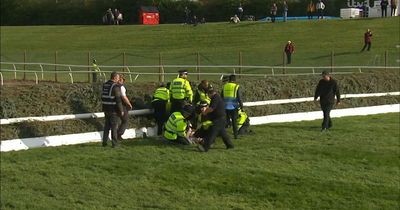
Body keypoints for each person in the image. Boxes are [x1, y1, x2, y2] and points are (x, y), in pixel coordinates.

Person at [101, 72, 124, 148]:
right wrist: (121, 110)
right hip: (113, 109)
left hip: (105, 108)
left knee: (107, 126)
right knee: (114, 126)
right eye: (118, 78)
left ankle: (104, 142)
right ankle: (115, 143)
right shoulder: (115, 86)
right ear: (114, 78)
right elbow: (118, 99)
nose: (118, 79)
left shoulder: (105, 85)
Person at [221, 74, 243, 139]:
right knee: (234, 121)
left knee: (226, 122)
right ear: (235, 80)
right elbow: (239, 97)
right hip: (233, 106)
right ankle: (235, 136)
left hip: (225, 106)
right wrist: (241, 106)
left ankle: (223, 134)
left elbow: (221, 96)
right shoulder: (236, 86)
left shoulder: (224, 86)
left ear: (229, 79)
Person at [117, 75, 133, 140]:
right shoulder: (122, 87)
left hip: (114, 105)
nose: (121, 81)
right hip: (122, 106)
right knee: (125, 120)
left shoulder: (114, 86)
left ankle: (116, 134)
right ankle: (119, 134)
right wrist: (129, 104)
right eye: (120, 80)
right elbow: (124, 97)